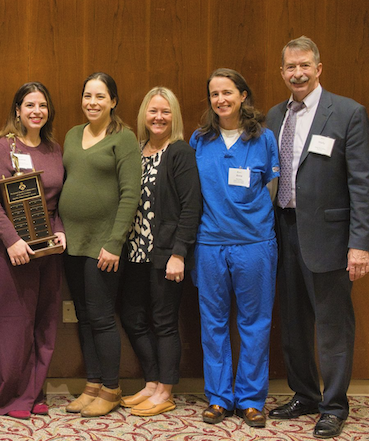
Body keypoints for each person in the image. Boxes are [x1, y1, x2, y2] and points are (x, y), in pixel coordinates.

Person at [266, 36, 369, 439]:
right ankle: (305, 395)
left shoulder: (347, 113)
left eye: (304, 66)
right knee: (293, 324)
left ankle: (334, 405)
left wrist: (360, 243)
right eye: (290, 67)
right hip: (282, 233)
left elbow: (363, 185)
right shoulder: (275, 117)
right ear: (282, 72)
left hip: (329, 238)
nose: (297, 73)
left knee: (332, 326)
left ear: (318, 68)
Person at [190, 68, 279, 428]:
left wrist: (251, 222)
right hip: (210, 243)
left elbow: (272, 191)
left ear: (243, 95)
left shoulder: (264, 138)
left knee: (255, 323)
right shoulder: (200, 140)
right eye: (214, 94)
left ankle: (251, 399)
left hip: (255, 244)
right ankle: (219, 397)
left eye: (228, 92)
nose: (221, 100)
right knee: (213, 323)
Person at [0, 81, 66, 420]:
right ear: (18, 110)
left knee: (44, 325)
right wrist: (12, 240)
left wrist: (59, 231)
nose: (37, 111)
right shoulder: (2, 147)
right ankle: (10, 397)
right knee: (14, 327)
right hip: (10, 253)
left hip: (47, 254)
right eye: (30, 105)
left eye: (42, 105)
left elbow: (57, 202)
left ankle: (34, 393)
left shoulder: (54, 149)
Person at [58, 72, 141, 418]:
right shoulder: (73, 135)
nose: (92, 102)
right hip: (71, 244)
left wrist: (114, 242)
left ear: (113, 101)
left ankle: (111, 388)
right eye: (87, 96)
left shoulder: (123, 139)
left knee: (103, 317)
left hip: (104, 245)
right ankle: (92, 384)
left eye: (100, 96)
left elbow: (130, 194)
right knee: (84, 316)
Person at [117, 87, 201, 417]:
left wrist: (179, 252)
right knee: (133, 317)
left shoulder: (179, 153)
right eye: (153, 111)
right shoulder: (137, 151)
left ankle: (166, 390)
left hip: (165, 255)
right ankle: (152, 382)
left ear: (174, 117)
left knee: (165, 322)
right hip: (135, 254)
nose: (158, 117)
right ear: (143, 116)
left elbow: (191, 207)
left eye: (165, 112)